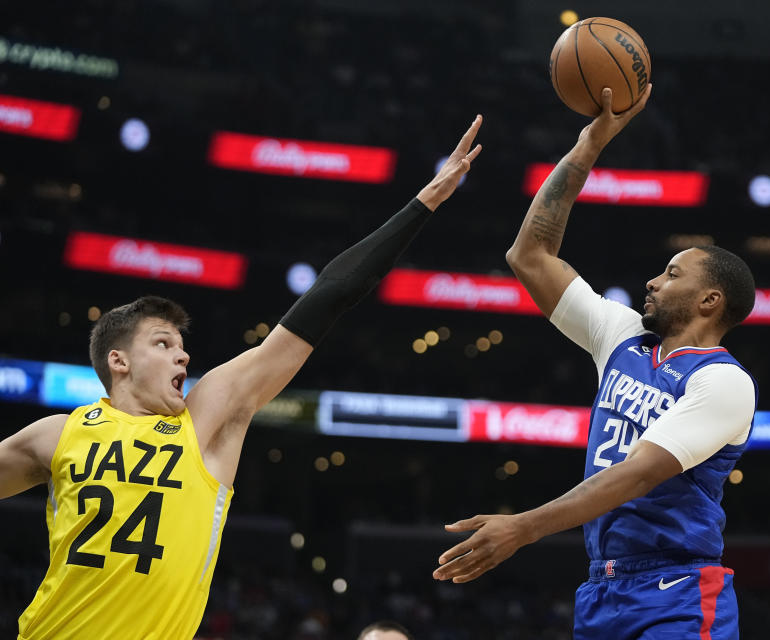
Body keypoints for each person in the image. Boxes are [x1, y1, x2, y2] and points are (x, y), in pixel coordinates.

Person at [0, 115, 483, 640]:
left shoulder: (204, 418)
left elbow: (326, 298)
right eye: (163, 345)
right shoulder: (57, 434)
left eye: (183, 348)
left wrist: (424, 203)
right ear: (119, 361)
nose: (183, 359)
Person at [433, 86, 757, 639]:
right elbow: (529, 256)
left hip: (676, 592)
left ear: (711, 301)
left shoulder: (724, 383)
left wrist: (523, 528)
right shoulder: (624, 338)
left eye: (674, 274)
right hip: (600, 591)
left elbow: (633, 475)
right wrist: (587, 147)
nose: (654, 281)